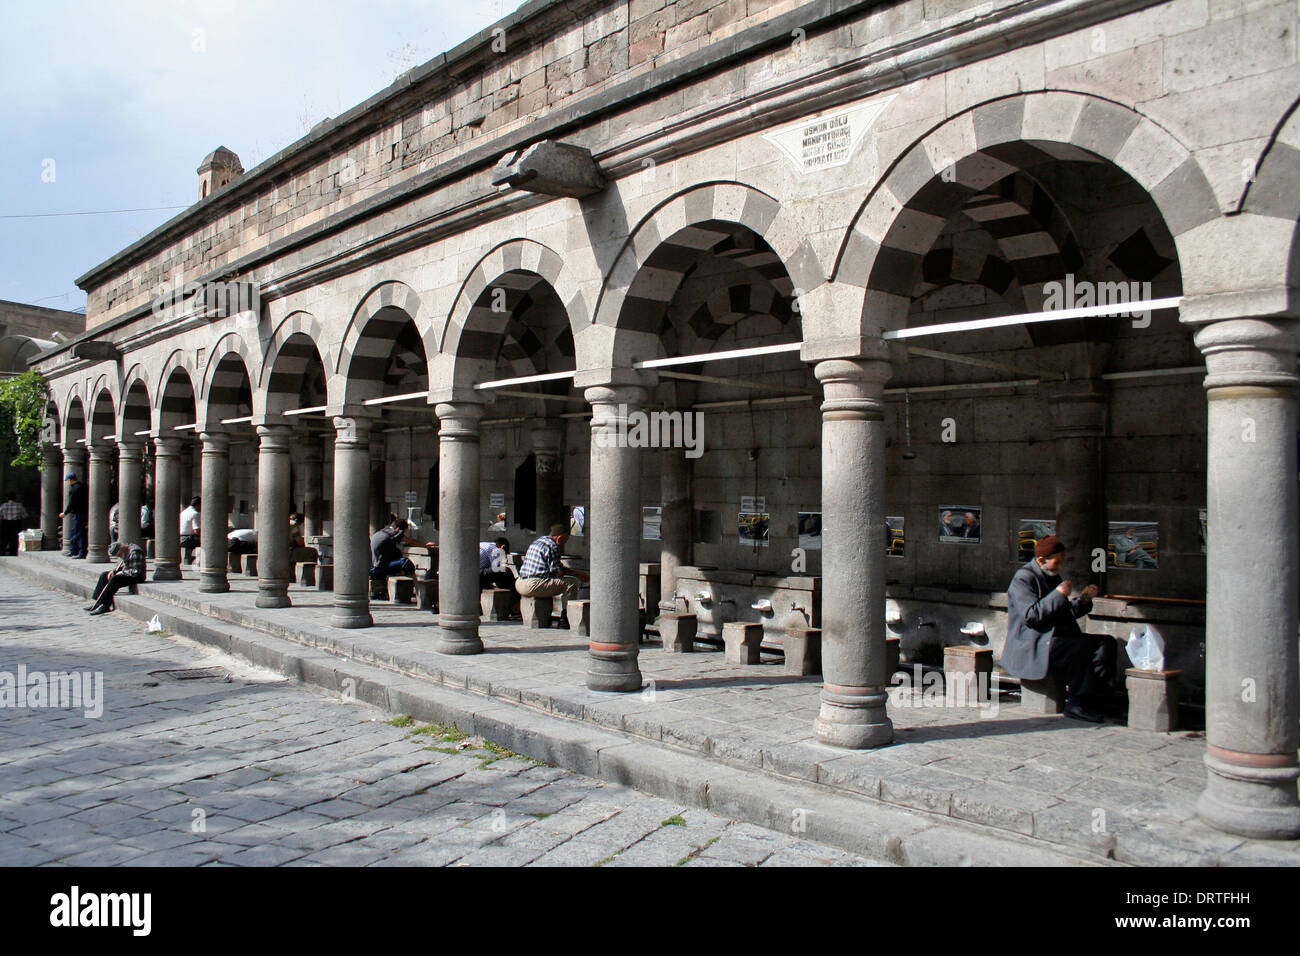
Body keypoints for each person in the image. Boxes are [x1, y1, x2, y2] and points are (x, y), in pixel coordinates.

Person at [1001, 535, 1113, 722]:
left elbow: (1064, 612)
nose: (1060, 567)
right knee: (1080, 648)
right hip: (1034, 642)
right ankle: (1077, 703)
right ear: (1041, 560)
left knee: (1105, 643)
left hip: (1055, 637)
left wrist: (1084, 599)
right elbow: (1032, 616)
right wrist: (1058, 594)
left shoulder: (1052, 575)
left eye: (1062, 562)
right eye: (1057, 562)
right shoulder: (1023, 578)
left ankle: (1096, 698)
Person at [517, 524, 589, 628]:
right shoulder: (553, 546)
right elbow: (558, 572)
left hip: (520, 583)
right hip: (533, 585)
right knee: (571, 583)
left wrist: (573, 572)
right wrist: (578, 574)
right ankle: (565, 618)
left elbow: (554, 569)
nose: (564, 544)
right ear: (559, 538)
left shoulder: (537, 542)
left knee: (561, 580)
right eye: (565, 540)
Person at [369, 517, 434, 599]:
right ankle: (418, 590)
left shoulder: (383, 532)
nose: (404, 533)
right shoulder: (395, 532)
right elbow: (410, 541)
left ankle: (403, 585)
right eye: (405, 531)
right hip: (378, 569)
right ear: (399, 528)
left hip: (372, 567)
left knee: (397, 552)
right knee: (406, 563)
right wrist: (425, 545)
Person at [86, 540, 147, 615]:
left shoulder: (135, 552)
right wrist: (114, 571)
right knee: (104, 575)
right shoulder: (125, 552)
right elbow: (122, 566)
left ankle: (105, 605)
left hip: (137, 576)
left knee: (115, 579)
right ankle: (98, 603)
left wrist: (120, 573)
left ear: (121, 549)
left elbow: (136, 571)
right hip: (128, 572)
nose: (119, 556)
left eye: (118, 555)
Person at [59, 473, 88, 558]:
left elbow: (71, 503)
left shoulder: (74, 489)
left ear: (70, 480)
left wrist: (65, 513)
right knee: (79, 532)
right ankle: (77, 551)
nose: (67, 482)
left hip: (78, 513)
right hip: (83, 513)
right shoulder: (82, 487)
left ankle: (77, 551)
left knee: (76, 533)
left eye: (67, 480)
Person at [1, 491, 29, 556]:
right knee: (15, 538)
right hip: (16, 523)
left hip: (6, 523)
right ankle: (13, 552)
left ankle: (2, 551)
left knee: (5, 538)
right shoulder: (19, 505)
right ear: (15, 498)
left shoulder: (3, 505)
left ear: (7, 498)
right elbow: (25, 515)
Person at [179, 497, 201, 565]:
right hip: (190, 539)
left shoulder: (183, 512)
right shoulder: (195, 513)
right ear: (198, 505)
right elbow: (196, 530)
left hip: (181, 538)